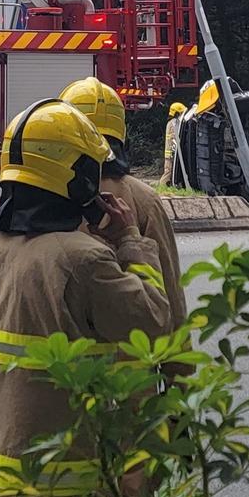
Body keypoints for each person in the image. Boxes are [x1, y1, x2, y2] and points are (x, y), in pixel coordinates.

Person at [0, 101, 171, 497]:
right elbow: (153, 321)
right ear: (77, 178)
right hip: (71, 490)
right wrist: (130, 238)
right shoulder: (84, 261)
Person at [62, 76, 187, 332]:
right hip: (133, 366)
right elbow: (170, 292)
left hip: (64, 366)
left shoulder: (47, 194)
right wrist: (178, 368)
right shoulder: (144, 199)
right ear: (122, 137)